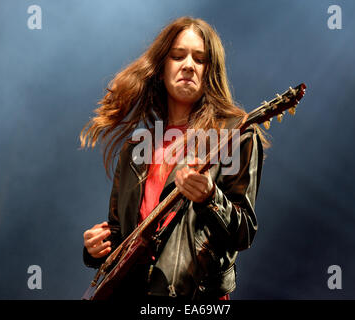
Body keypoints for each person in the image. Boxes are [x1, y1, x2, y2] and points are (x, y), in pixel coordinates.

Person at [79, 16, 269, 301]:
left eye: (200, 59)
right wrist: (97, 248)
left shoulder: (235, 134)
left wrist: (210, 198)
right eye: (178, 56)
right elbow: (123, 236)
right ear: (161, 69)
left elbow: (243, 232)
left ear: (211, 71)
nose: (189, 65)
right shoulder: (136, 149)